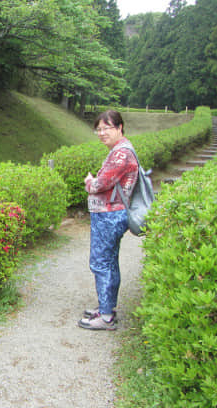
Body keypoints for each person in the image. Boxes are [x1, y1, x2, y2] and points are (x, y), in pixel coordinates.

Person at [78, 110, 138, 331]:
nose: (102, 133)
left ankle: (105, 317)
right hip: (110, 214)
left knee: (101, 262)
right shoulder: (119, 150)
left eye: (107, 128)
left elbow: (99, 185)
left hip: (109, 215)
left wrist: (89, 181)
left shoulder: (121, 154)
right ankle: (107, 309)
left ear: (120, 128)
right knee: (109, 262)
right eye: (99, 129)